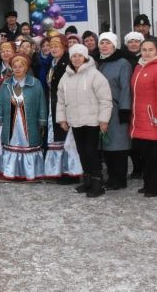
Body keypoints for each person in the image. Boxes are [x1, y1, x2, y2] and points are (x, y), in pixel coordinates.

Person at [56, 44, 112, 198]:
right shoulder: (66, 76)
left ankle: (97, 183)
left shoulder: (95, 75)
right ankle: (87, 181)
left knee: (91, 152)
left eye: (80, 55)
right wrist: (62, 119)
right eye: (74, 56)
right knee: (81, 151)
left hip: (92, 121)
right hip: (75, 120)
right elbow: (60, 100)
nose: (76, 58)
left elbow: (105, 100)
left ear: (86, 57)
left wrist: (103, 120)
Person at [0, 53, 47, 179]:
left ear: (26, 67)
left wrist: (42, 120)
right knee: (11, 142)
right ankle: (11, 171)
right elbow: (0, 102)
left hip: (29, 121)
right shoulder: (6, 84)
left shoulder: (36, 83)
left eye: (20, 66)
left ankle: (29, 172)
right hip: (11, 121)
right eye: (15, 66)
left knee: (28, 144)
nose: (17, 69)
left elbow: (42, 103)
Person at [131, 38, 157, 197]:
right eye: (144, 49)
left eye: (150, 50)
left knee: (156, 155)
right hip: (140, 118)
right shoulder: (138, 67)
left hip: (154, 119)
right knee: (146, 155)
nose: (147, 53)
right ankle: (148, 183)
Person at [94, 32, 132, 190]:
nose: (104, 46)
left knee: (119, 145)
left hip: (117, 110)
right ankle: (111, 176)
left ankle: (120, 178)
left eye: (107, 43)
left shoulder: (122, 63)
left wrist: (124, 109)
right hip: (101, 110)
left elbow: (125, 88)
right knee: (106, 145)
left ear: (114, 45)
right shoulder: (98, 62)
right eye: (102, 42)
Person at [44, 35, 82, 183]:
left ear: (64, 47)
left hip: (65, 107)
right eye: (51, 46)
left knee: (66, 139)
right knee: (58, 138)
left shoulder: (67, 64)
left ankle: (71, 173)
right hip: (54, 104)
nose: (53, 48)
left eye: (56, 46)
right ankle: (60, 170)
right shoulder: (53, 63)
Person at [122, 30, 145, 179]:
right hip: (127, 101)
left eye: (136, 41)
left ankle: (144, 166)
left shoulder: (146, 58)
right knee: (129, 136)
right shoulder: (123, 59)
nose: (133, 44)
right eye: (131, 42)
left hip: (142, 102)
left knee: (142, 137)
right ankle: (137, 166)